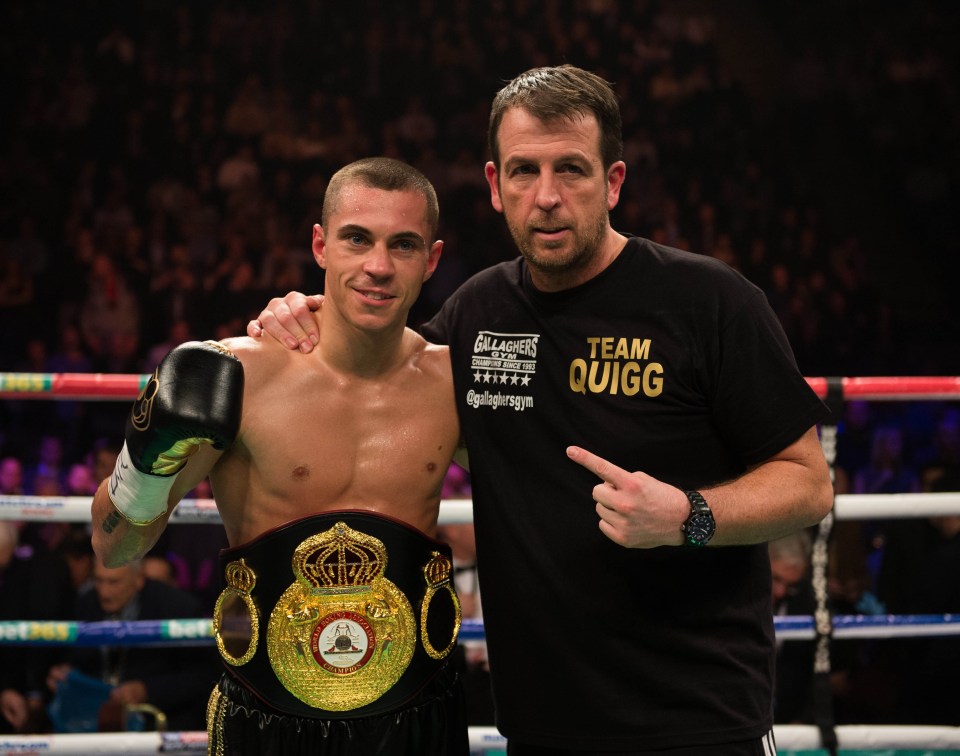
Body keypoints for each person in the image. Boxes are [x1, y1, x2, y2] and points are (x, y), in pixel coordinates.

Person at [251, 65, 835, 754]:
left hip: (697, 722)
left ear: (613, 182)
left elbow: (808, 483)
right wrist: (300, 317)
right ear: (496, 187)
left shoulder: (711, 302)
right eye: (525, 171)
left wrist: (689, 516)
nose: (548, 197)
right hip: (539, 725)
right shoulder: (476, 312)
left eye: (572, 171)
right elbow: (378, 378)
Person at [90, 158, 468, 754]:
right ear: (320, 245)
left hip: (418, 716)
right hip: (265, 720)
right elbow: (117, 548)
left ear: (432, 259)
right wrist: (149, 458)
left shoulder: (453, 385)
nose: (378, 266)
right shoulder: (239, 376)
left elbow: (544, 494)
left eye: (403, 244)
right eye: (356, 239)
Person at [46, 559, 217, 732]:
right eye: (98, 580)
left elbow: (202, 676)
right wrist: (64, 672)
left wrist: (147, 690)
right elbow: (73, 658)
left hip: (160, 725)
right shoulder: (86, 602)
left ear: (138, 579)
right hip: (94, 722)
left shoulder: (178, 608)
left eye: (114, 582)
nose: (104, 592)